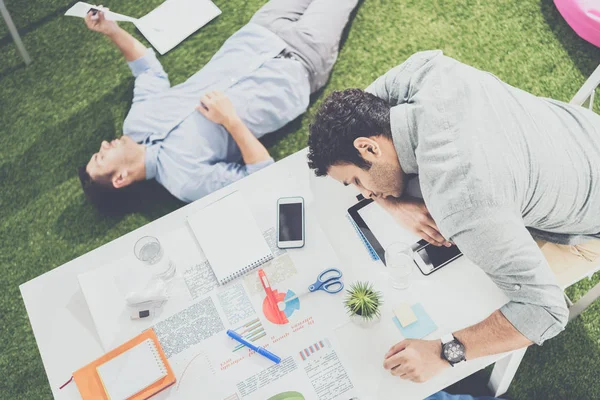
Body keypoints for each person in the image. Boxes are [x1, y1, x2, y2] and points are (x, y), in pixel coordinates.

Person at [307, 50, 600, 382]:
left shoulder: (462, 202)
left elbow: (545, 310)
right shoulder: (426, 72)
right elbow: (359, 105)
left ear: (368, 148)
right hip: (584, 132)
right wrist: (393, 202)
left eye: (358, 181)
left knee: (471, 292)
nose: (364, 193)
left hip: (590, 216)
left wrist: (443, 352)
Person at [79, 0, 360, 212]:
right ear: (121, 178)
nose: (104, 144)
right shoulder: (185, 181)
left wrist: (111, 29)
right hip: (300, 62)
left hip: (261, 31)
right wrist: (230, 121)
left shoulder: (137, 122)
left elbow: (148, 72)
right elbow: (262, 177)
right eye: (101, 158)